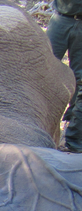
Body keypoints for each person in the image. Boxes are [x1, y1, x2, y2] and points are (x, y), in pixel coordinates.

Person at [47, 0, 82, 152]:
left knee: (80, 82)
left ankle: (74, 141)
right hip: (61, 20)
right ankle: (35, 129)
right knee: (42, 73)